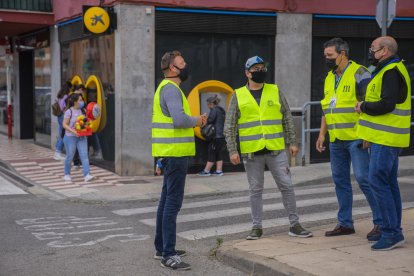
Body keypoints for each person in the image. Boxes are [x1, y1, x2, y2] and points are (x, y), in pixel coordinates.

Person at [224, 56, 312, 240]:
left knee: (286, 186)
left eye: (262, 67)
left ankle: (295, 225)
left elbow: (287, 117)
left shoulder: (275, 90)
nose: (260, 71)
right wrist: (232, 150)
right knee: (255, 190)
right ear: (247, 73)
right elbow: (230, 125)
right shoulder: (238, 95)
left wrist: (293, 142)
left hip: (276, 149)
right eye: (256, 68)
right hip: (252, 152)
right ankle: (257, 227)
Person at [316, 38, 382, 240]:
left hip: (357, 138)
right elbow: (327, 109)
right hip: (336, 139)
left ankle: (381, 222)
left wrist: (368, 134)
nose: (326, 59)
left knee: (364, 179)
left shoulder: (360, 72)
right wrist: (321, 134)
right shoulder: (329, 77)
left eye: (330, 55)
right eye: (325, 55)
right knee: (340, 181)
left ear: (342, 54)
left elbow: (370, 105)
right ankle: (345, 223)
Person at [152, 50, 206, 270]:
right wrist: (198, 120)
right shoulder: (171, 90)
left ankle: (161, 248)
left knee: (165, 201)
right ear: (173, 68)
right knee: (172, 203)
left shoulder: (165, 89)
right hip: (175, 153)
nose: (187, 64)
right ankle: (168, 254)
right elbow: (179, 120)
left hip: (169, 152)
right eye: (183, 62)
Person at [355, 36, 411, 251]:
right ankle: (394, 230)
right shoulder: (388, 69)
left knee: (377, 181)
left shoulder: (391, 71)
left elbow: (387, 105)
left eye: (373, 48)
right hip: (384, 138)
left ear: (385, 50)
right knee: (388, 183)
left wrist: (363, 106)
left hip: (386, 139)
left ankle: (390, 233)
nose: (371, 51)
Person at [62, 93, 95, 183]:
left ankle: (87, 174)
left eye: (82, 100)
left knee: (84, 155)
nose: (82, 102)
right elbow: (64, 125)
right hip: (70, 137)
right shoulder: (69, 111)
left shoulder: (83, 110)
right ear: (75, 101)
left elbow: (86, 122)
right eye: (80, 100)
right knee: (70, 156)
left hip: (82, 137)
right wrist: (73, 131)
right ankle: (67, 174)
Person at [198, 94, 227, 176]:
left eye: (208, 104)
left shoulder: (214, 110)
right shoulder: (222, 110)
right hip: (221, 136)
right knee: (218, 153)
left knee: (212, 152)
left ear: (211, 103)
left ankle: (206, 171)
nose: (208, 106)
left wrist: (204, 118)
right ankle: (219, 171)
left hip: (215, 136)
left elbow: (211, 120)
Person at [53, 81, 72, 161]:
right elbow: (65, 108)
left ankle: (57, 152)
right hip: (63, 116)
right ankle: (58, 152)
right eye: (71, 88)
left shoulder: (60, 96)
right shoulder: (66, 97)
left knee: (61, 133)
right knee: (63, 135)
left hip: (59, 116)